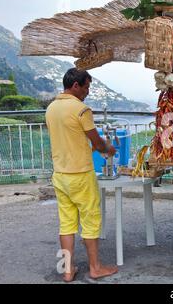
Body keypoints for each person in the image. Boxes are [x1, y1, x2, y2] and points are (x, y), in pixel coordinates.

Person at [46, 68, 118, 282]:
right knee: (90, 220)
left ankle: (68, 270)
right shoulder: (81, 110)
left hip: (60, 174)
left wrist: (92, 147)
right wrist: (109, 148)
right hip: (81, 175)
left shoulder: (51, 108)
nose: (87, 92)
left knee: (66, 223)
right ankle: (95, 268)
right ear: (75, 85)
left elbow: (69, 138)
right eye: (86, 87)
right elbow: (96, 142)